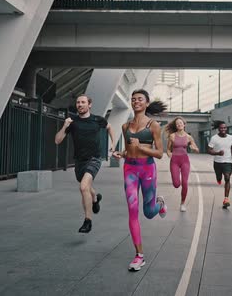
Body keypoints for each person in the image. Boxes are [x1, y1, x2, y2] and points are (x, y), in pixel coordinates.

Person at [112, 89, 167, 272]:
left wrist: (141, 148)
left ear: (147, 103)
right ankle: (139, 255)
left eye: (140, 99)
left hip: (147, 168)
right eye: (133, 99)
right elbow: (129, 150)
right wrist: (123, 153)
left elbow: (159, 153)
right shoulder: (125, 126)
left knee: (149, 212)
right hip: (129, 169)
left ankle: (159, 204)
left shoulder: (153, 125)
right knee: (132, 210)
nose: (136, 101)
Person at [54, 95, 116, 233]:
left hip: (94, 158)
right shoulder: (72, 122)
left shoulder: (97, 120)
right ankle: (95, 199)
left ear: (90, 104)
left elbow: (110, 127)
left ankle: (88, 221)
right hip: (79, 160)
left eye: (83, 102)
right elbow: (57, 141)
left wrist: (112, 144)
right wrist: (65, 126)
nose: (80, 104)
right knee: (86, 187)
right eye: (78, 102)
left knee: (83, 187)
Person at [166, 117, 199, 212]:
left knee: (185, 183)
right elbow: (168, 149)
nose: (179, 124)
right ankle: (177, 182)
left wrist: (194, 149)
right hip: (174, 161)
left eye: (181, 123)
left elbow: (196, 149)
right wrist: (169, 154)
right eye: (177, 123)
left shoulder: (189, 137)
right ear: (176, 126)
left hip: (185, 161)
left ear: (184, 124)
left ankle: (183, 203)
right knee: (176, 184)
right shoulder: (172, 136)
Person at [207, 120, 232, 209]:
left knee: (227, 178)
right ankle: (218, 178)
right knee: (219, 177)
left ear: (226, 128)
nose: (223, 129)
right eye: (221, 128)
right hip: (217, 162)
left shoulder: (231, 137)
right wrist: (217, 153)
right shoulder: (214, 138)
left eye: (224, 128)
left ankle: (226, 199)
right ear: (218, 129)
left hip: (228, 161)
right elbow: (209, 150)